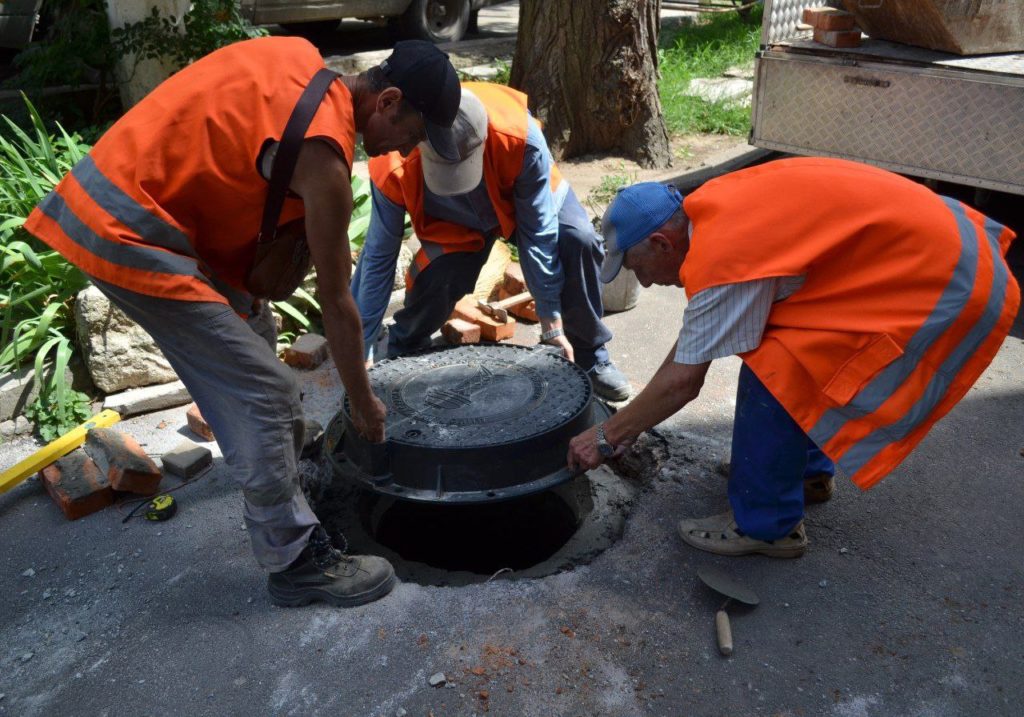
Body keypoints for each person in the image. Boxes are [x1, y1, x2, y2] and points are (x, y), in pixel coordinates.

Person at [23, 36, 462, 606]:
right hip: (127, 226)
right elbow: (338, 303)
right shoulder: (324, 156)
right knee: (268, 390)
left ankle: (293, 473)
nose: (409, 148)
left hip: (153, 204)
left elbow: (225, 148)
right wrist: (362, 401)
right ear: (389, 102)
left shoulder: (298, 58)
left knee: (257, 329)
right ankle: (295, 560)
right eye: (417, 133)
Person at [567, 158, 1019, 558]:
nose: (643, 284)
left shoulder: (727, 255)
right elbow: (696, 342)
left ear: (664, 244)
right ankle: (803, 475)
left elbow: (684, 381)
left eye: (636, 268)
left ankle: (767, 528)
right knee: (789, 344)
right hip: (949, 247)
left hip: (946, 283)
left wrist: (606, 436)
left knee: (776, 367)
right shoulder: (713, 208)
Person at [351, 83, 631, 401]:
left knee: (576, 239)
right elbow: (378, 258)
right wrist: (359, 352)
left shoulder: (519, 135)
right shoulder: (394, 163)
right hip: (453, 222)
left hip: (518, 197)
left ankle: (590, 356)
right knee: (438, 272)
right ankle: (404, 352)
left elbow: (538, 231)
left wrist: (551, 322)